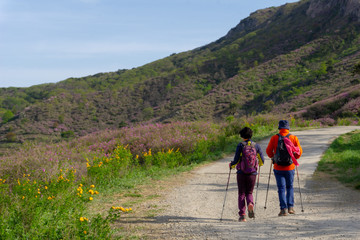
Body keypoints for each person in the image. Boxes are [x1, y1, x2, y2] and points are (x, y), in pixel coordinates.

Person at [266, 120, 303, 216]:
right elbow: (299, 152)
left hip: (278, 167)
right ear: (288, 128)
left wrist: (273, 157)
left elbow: (268, 151)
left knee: (281, 188)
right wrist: (294, 158)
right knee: (290, 186)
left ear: (279, 128)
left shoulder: (274, 138)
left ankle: (283, 210)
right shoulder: (294, 138)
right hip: (290, 167)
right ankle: (291, 207)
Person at [230, 127, 265, 222]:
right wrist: (257, 165)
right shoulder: (256, 146)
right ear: (251, 135)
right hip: (252, 173)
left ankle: (242, 215)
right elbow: (262, 161)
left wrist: (231, 165)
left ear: (242, 136)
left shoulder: (240, 145)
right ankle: (250, 204)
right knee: (249, 192)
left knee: (241, 193)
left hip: (241, 173)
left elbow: (236, 160)